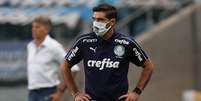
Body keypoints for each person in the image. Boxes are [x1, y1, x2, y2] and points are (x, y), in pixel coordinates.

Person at [61, 3, 154, 101]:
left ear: (112, 22)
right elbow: (65, 66)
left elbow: (148, 66)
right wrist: (75, 93)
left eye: (100, 20)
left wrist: (137, 91)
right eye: (94, 19)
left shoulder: (126, 43)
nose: (95, 23)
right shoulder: (84, 41)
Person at [27, 16, 80, 101]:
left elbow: (74, 68)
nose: (33, 29)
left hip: (48, 92)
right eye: (33, 27)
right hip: (32, 92)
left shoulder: (54, 47)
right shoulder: (30, 46)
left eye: (37, 27)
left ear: (46, 29)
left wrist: (60, 92)